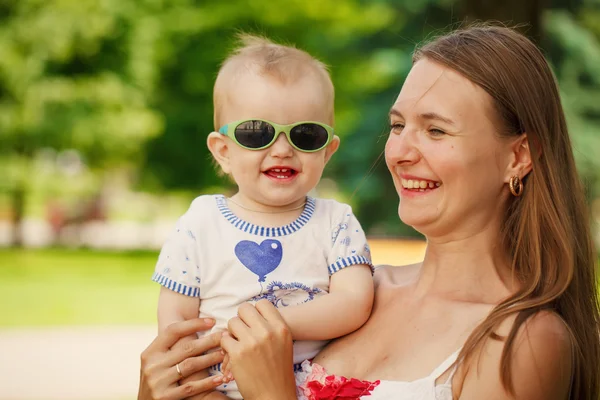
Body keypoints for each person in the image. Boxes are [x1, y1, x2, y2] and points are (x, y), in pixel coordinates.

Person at [138, 24, 600, 400]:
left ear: (518, 156)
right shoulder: (346, 291)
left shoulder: (523, 343)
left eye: (436, 131)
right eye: (398, 125)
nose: (399, 151)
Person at [149, 34, 374, 399]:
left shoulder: (336, 222)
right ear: (223, 151)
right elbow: (175, 316)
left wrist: (273, 326)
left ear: (328, 151)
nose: (283, 149)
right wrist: (192, 366)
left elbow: (354, 303)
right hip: (214, 382)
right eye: (257, 134)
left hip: (306, 386)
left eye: (306, 134)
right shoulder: (200, 223)